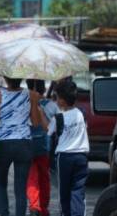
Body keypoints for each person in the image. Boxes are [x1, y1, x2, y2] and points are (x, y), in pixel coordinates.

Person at [0, 77, 40, 216]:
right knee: (20, 187)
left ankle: (4, 213)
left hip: (3, 144)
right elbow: (36, 122)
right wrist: (35, 103)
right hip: (24, 143)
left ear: (6, 79)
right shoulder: (31, 94)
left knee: (0, 183)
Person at [43, 80, 89, 216]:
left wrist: (40, 113)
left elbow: (48, 130)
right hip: (81, 156)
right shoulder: (81, 113)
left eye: (56, 97)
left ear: (62, 100)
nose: (55, 101)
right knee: (78, 191)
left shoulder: (59, 118)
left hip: (65, 157)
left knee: (64, 191)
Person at [25, 79, 59, 216]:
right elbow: (57, 124)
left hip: (27, 144)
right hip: (45, 147)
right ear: (44, 90)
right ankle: (43, 208)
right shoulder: (51, 105)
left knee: (31, 176)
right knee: (44, 177)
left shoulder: (24, 104)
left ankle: (34, 204)